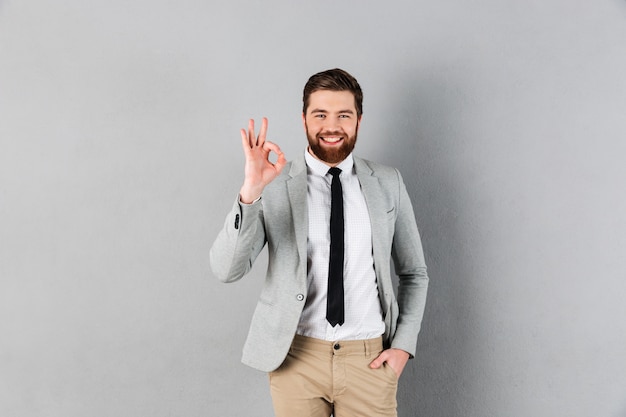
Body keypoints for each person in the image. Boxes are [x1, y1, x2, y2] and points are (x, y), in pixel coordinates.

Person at [210, 68, 429, 417]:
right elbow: (226, 269)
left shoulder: (387, 182)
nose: (332, 125)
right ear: (304, 120)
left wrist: (403, 347)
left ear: (359, 120)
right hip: (296, 359)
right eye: (320, 114)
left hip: (369, 361)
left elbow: (415, 273)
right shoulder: (276, 183)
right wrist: (250, 192)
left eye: (343, 115)